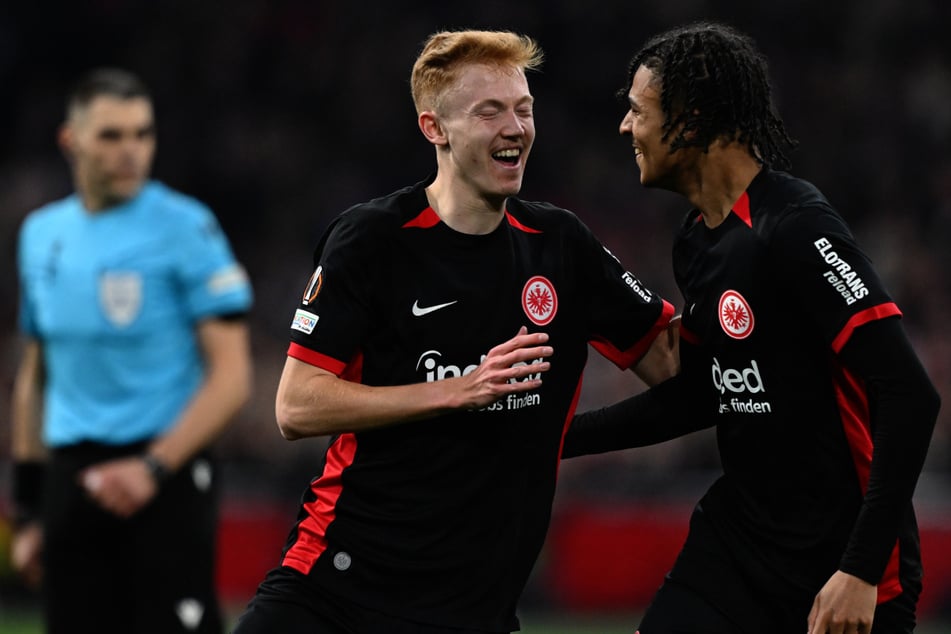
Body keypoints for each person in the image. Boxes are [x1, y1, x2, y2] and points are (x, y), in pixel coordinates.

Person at [232, 29, 677, 634]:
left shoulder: (562, 246)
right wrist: (458, 391)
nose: (515, 127)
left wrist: (747, 274)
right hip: (336, 588)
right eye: (489, 111)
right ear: (434, 128)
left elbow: (678, 366)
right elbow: (296, 404)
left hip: (473, 612)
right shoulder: (373, 239)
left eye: (523, 109)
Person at [562, 21, 940, 634]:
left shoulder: (796, 227)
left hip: (840, 566)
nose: (626, 127)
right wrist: (556, 436)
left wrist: (862, 570)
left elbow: (911, 395)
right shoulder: (696, 241)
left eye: (638, 111)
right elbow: (704, 393)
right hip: (738, 548)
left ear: (692, 118)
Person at [10, 67, 253, 634]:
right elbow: (35, 379)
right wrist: (28, 512)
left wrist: (152, 467)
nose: (131, 151)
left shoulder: (187, 229)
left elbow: (232, 376)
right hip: (72, 478)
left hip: (163, 475)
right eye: (112, 136)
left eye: (142, 134)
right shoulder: (41, 235)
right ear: (71, 140)